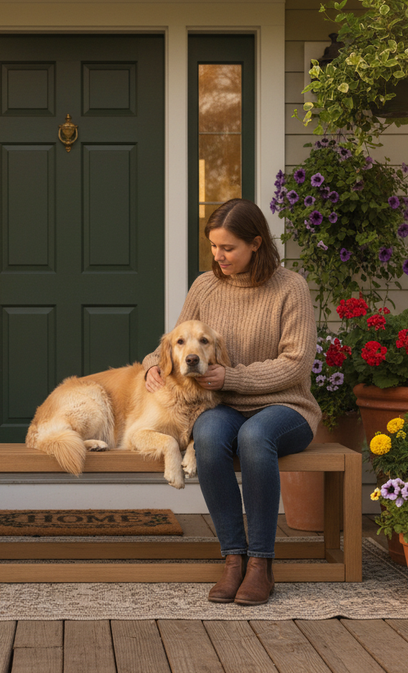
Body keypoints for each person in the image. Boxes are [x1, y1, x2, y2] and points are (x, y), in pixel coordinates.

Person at [142, 198, 320, 606]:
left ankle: (261, 563)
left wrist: (233, 377)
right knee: (205, 435)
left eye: (228, 248)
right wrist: (153, 366)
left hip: (286, 406)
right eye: (214, 247)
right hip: (223, 406)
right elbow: (177, 338)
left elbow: (295, 364)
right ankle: (233, 558)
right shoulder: (206, 285)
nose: (219, 257)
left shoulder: (290, 287)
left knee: (255, 437)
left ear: (256, 243)